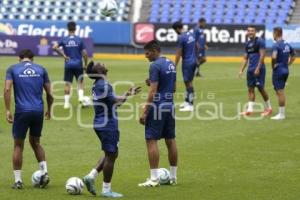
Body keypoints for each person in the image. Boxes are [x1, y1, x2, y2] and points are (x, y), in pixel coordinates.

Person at [82, 61, 141, 197]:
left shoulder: (98, 84)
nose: (101, 63)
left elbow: (114, 102)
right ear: (100, 71)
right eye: (99, 64)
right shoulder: (104, 85)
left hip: (101, 122)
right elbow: (117, 102)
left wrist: (126, 93)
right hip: (107, 124)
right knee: (111, 155)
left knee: (111, 153)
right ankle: (106, 190)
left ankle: (91, 176)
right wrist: (126, 95)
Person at [4, 49, 54, 189]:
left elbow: (7, 89)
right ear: (32, 58)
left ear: (19, 58)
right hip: (38, 110)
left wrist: (8, 110)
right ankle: (44, 173)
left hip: (22, 111)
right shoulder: (41, 69)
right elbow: (50, 94)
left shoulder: (13, 69)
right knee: (36, 142)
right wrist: (49, 110)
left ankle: (18, 181)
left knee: (18, 144)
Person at [139, 40, 178, 187]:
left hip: (158, 107)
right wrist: (154, 82)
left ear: (155, 50)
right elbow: (173, 88)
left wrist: (145, 111)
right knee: (171, 139)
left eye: (147, 53)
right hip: (170, 105)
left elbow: (153, 92)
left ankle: (154, 179)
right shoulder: (171, 63)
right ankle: (173, 177)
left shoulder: (154, 65)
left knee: (151, 140)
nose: (146, 56)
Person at [53, 21, 88, 109]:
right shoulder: (79, 39)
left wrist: (64, 56)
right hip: (78, 64)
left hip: (68, 64)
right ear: (75, 29)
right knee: (80, 82)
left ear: (67, 29)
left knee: (68, 83)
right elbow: (84, 53)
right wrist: (86, 64)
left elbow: (54, 47)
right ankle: (80, 98)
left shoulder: (64, 39)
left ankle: (66, 104)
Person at [239, 26, 272, 116]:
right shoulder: (247, 43)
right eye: (249, 31)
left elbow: (262, 55)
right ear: (247, 32)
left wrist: (258, 68)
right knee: (250, 89)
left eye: (252, 31)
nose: (250, 32)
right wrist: (241, 70)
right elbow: (245, 58)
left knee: (261, 88)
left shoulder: (260, 41)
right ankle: (249, 110)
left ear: (255, 32)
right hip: (250, 70)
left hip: (259, 69)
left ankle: (269, 108)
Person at [270, 27, 296, 120]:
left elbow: (273, 57)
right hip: (286, 70)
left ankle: (281, 114)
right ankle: (281, 113)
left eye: (273, 33)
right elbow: (293, 56)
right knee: (280, 91)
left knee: (280, 92)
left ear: (276, 33)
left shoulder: (276, 45)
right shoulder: (287, 45)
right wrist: (288, 64)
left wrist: (273, 66)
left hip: (278, 70)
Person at [173, 21, 197, 112]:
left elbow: (178, 53)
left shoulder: (181, 37)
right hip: (193, 60)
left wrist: (175, 65)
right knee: (188, 82)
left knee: (188, 83)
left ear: (177, 29)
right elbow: (195, 46)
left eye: (175, 30)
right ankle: (187, 101)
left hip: (187, 62)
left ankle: (190, 105)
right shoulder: (190, 34)